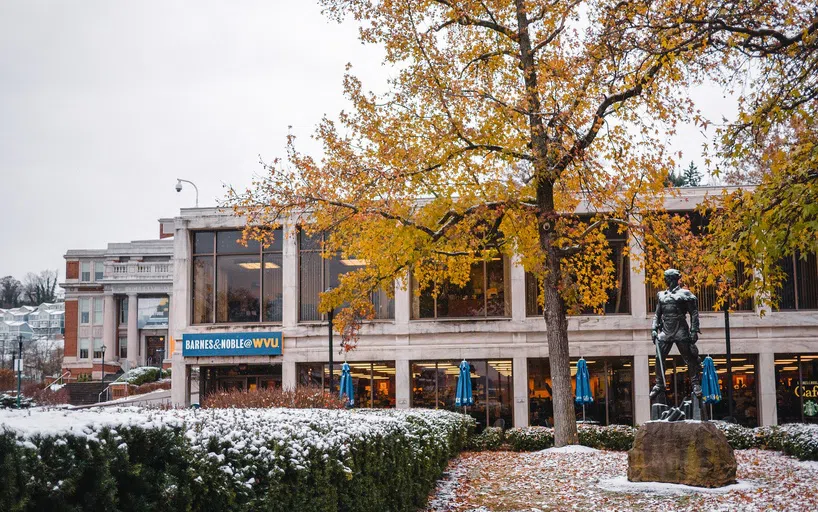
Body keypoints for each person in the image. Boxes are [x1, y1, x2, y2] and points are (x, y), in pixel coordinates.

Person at [650, 269, 702, 399]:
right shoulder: (661, 295)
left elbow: (694, 313)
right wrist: (654, 328)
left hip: (680, 328)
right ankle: (659, 384)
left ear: (672, 279)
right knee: (658, 357)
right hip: (666, 329)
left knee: (689, 357)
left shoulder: (685, 294)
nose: (665, 280)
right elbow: (657, 314)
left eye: (666, 278)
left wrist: (694, 330)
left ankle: (695, 384)